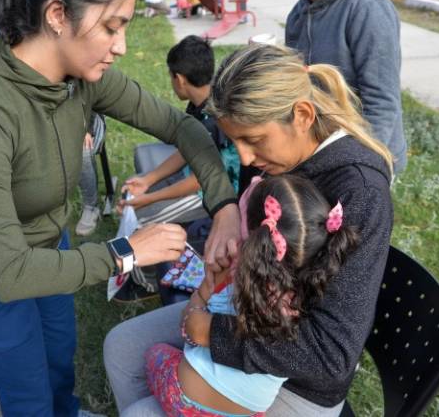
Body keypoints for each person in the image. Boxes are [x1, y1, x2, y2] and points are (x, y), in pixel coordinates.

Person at [0, 0, 241, 415]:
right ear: (57, 15)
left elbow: (181, 125)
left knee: (59, 357)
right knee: (27, 389)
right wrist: (125, 253)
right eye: (112, 27)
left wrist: (224, 207)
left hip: (47, 242)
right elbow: (9, 274)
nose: (122, 46)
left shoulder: (80, 78)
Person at [104, 43, 394, 417]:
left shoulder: (360, 192)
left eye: (253, 141)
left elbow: (331, 355)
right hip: (242, 308)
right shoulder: (271, 156)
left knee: (140, 413)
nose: (243, 158)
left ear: (302, 115)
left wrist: (212, 333)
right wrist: (227, 211)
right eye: (235, 140)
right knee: (122, 347)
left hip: (296, 377)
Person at [146, 174, 358, 416]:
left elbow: (190, 327)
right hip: (249, 412)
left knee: (154, 353)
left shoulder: (235, 285)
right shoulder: (313, 296)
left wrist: (206, 288)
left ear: (253, 237)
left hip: (186, 400)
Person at [115, 35, 240, 302]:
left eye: (171, 76)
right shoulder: (198, 105)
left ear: (180, 78)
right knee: (133, 188)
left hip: (208, 196)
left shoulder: (213, 119)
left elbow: (199, 181)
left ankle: (143, 283)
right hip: (192, 182)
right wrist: (147, 180)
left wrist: (148, 199)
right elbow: (187, 150)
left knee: (142, 218)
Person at [284, 0, 407, 174]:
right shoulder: (300, 11)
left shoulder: (368, 7)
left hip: (365, 156)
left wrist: (356, 168)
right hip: (320, 152)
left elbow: (382, 103)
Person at [76, 112, 107, 236]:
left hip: (89, 120)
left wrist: (86, 129)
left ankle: (91, 207)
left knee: (82, 149)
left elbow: (93, 102)